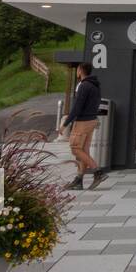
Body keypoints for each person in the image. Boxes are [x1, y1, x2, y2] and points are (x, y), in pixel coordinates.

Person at [57, 62, 105, 190]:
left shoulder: (84, 86)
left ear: (79, 71)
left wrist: (65, 124)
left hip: (83, 122)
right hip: (91, 121)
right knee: (83, 150)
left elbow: (77, 107)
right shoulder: (95, 86)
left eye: (78, 70)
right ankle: (79, 180)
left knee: (75, 148)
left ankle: (97, 171)